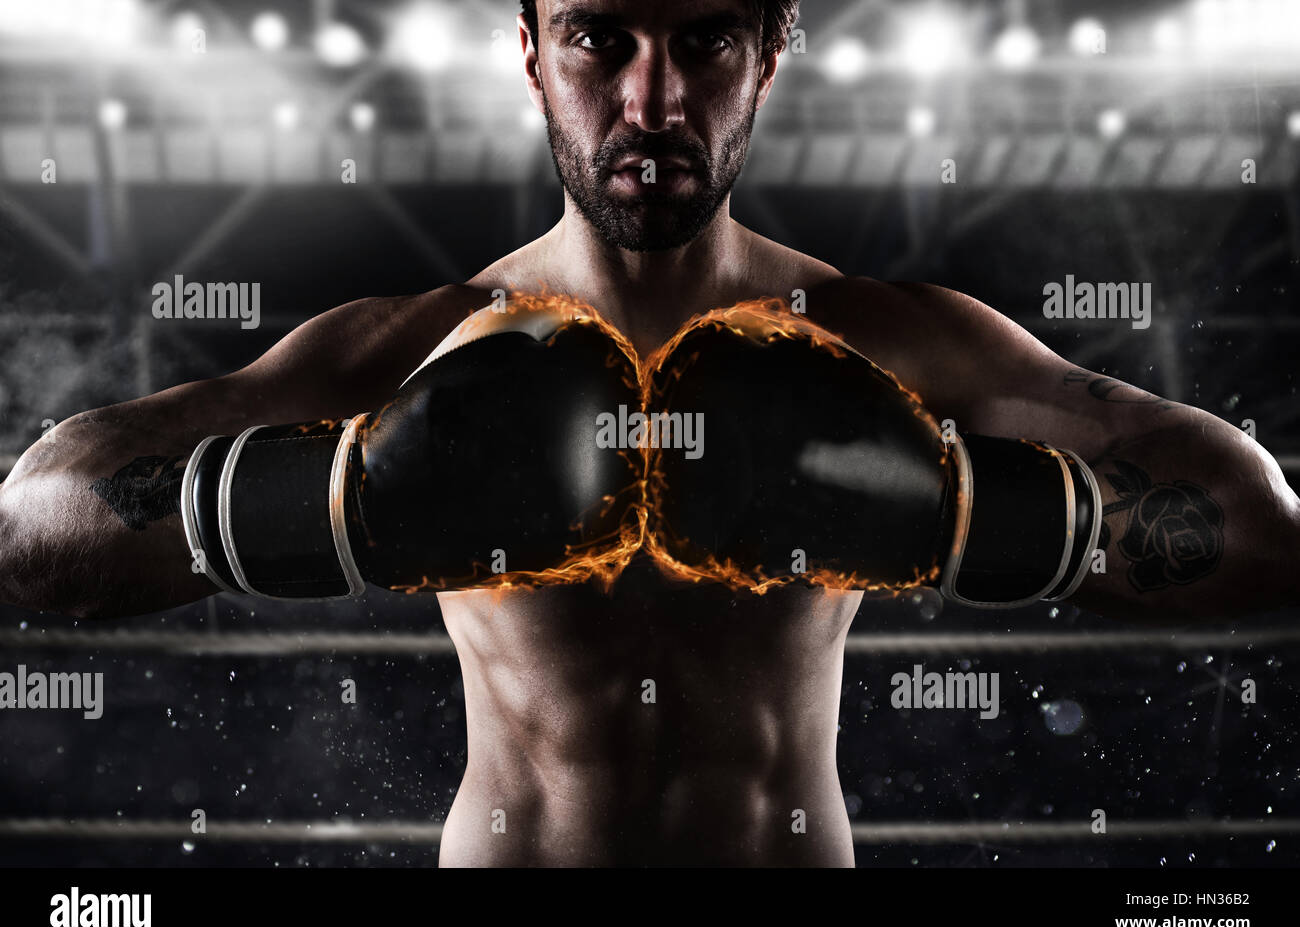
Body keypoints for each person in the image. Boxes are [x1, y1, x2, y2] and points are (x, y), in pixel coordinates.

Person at [0, 0, 1295, 866]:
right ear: (528, 51)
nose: (655, 98)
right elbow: (37, 523)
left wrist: (959, 508)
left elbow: (1254, 526)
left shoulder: (883, 340)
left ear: (772, 54)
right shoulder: (425, 344)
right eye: (598, 39)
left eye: (708, 41)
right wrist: (338, 496)